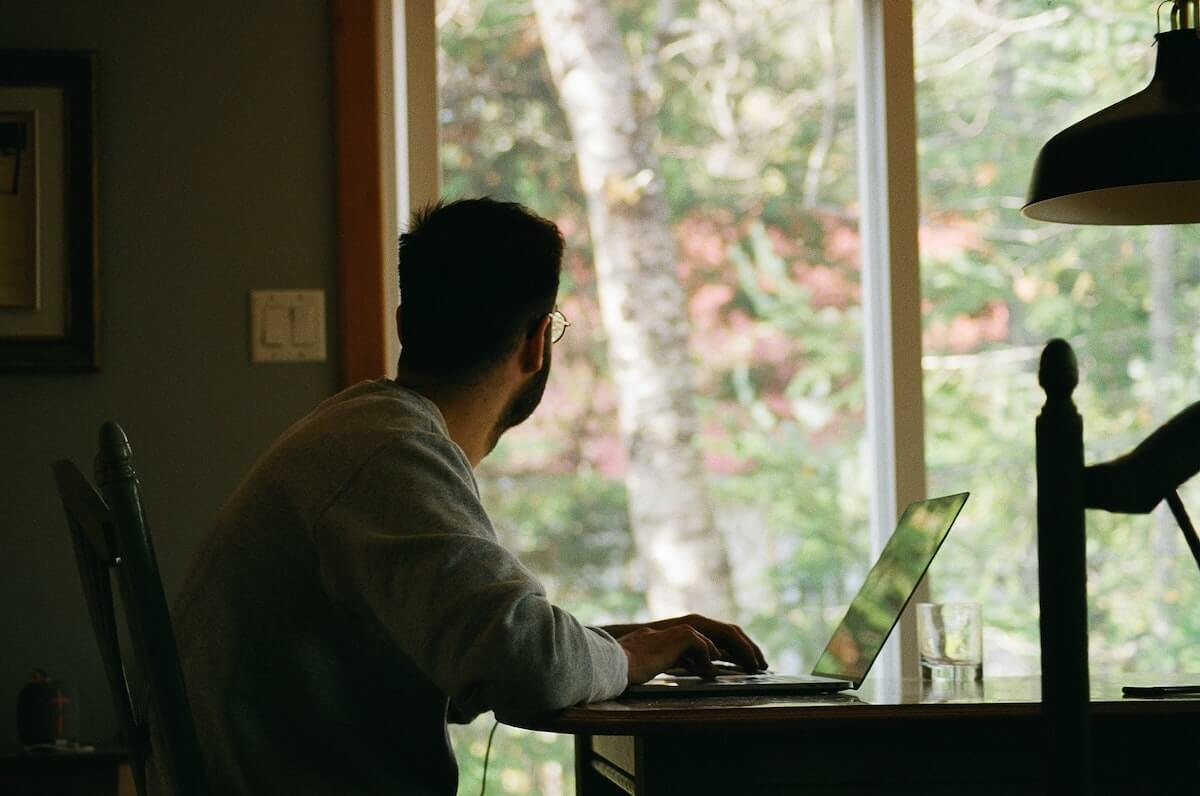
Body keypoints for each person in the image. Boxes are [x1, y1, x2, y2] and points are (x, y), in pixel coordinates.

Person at [159, 198, 766, 795]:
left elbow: (481, 646)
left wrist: (617, 646)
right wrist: (626, 661)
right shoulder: (390, 452)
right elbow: (525, 666)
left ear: (404, 325)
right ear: (536, 343)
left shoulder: (361, 433)